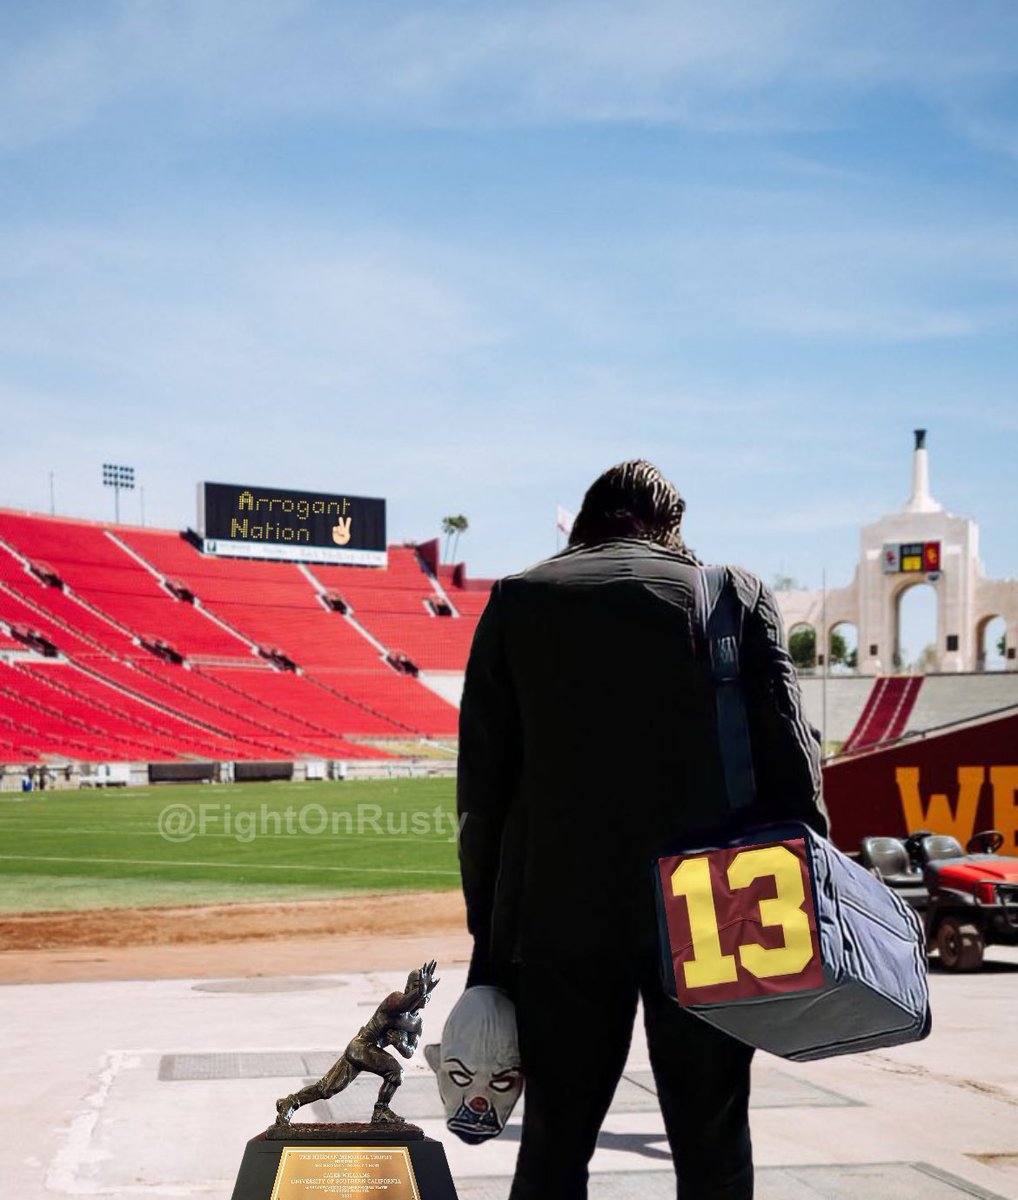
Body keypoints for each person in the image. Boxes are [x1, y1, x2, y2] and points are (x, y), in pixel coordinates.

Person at [457, 459, 829, 1200]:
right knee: (713, 1142)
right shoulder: (732, 594)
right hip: (717, 908)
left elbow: (482, 798)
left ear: (590, 521)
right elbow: (793, 760)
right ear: (669, 528)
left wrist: (489, 945)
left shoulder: (517, 599)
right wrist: (812, 903)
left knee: (555, 1143)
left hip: (560, 911)